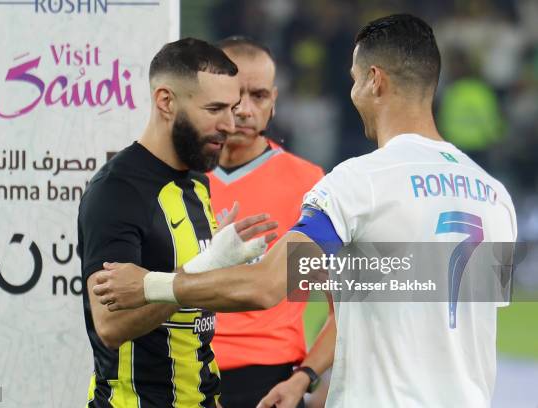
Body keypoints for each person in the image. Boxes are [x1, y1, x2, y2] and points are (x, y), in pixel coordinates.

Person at [93, 15, 517, 408]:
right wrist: (309, 375)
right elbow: (417, 285)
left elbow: (267, 286)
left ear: (374, 81)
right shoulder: (496, 197)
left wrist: (150, 286)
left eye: (353, 81)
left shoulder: (359, 182)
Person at [77, 37, 278, 408]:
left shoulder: (195, 180)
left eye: (232, 109)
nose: (230, 124)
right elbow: (110, 326)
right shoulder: (117, 191)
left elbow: (196, 309)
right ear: (166, 102)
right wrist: (205, 266)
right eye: (215, 109)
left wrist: (226, 268)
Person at [207, 36, 335, 408]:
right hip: (180, 373)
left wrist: (305, 378)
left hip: (268, 380)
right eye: (235, 95)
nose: (245, 110)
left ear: (274, 102)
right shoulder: (175, 178)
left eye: (259, 96)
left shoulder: (311, 185)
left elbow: (344, 309)